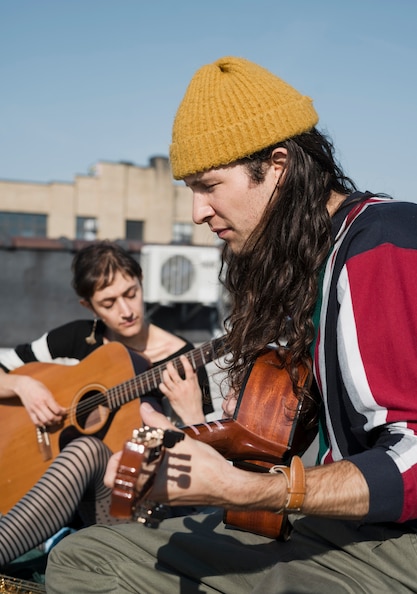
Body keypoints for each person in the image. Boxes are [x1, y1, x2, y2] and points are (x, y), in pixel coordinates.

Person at [45, 56, 417, 594]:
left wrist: (251, 491)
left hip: (396, 547)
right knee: (87, 555)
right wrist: (192, 445)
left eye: (208, 185)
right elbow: (276, 436)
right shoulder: (309, 266)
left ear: (279, 166)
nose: (198, 212)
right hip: (347, 530)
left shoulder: (379, 247)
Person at [0, 240, 213, 568]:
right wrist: (21, 384)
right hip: (72, 500)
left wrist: (193, 416)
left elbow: (210, 472)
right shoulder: (76, 339)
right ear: (89, 307)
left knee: (89, 449)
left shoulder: (182, 359)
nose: (126, 310)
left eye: (131, 293)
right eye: (109, 302)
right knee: (87, 448)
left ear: (141, 281)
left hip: (142, 504)